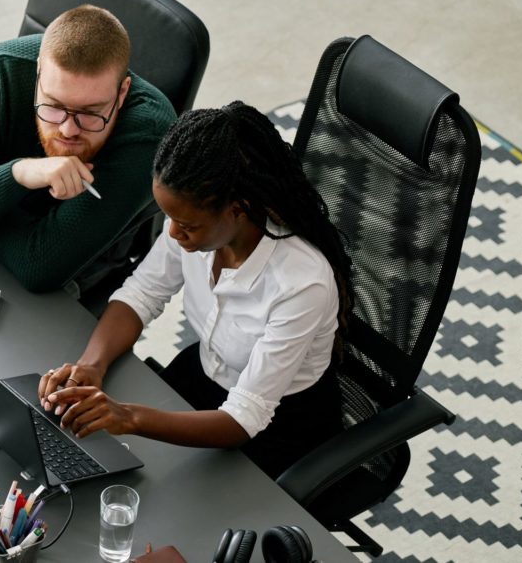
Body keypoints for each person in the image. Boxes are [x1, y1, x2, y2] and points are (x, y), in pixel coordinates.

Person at [37, 102, 353, 479]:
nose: (172, 233)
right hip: (203, 377)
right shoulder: (195, 225)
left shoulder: (301, 284)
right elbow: (142, 294)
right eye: (169, 218)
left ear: (239, 209)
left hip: (279, 429)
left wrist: (128, 416)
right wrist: (91, 365)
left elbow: (243, 418)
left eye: (187, 225)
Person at [0, 4, 176, 293]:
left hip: (80, 267)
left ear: (122, 92)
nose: (68, 130)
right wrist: (19, 173)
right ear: (39, 70)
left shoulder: (150, 132)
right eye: (54, 106)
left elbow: (36, 266)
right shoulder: (3, 67)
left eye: (90, 113)